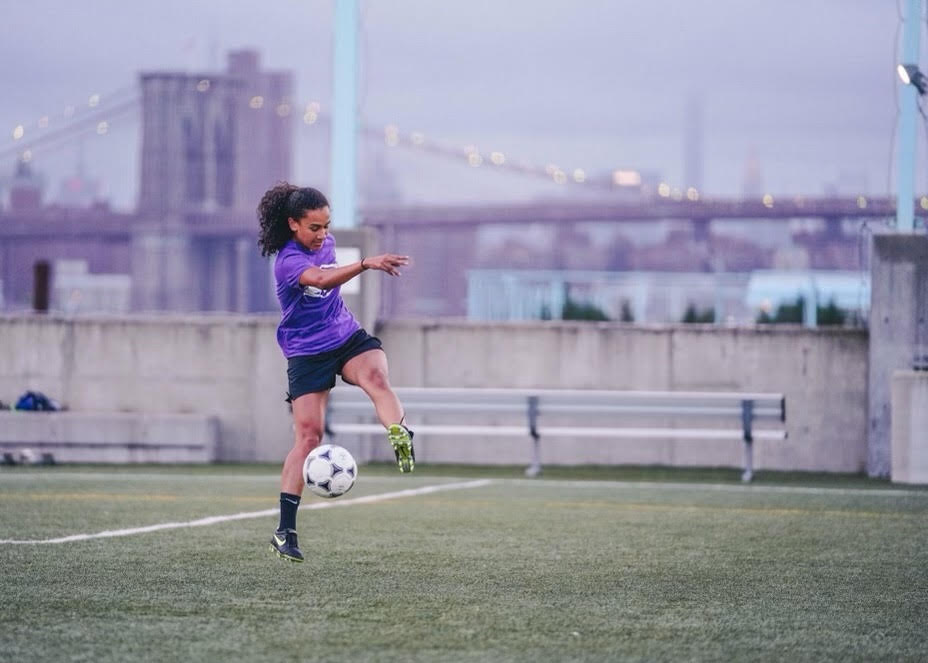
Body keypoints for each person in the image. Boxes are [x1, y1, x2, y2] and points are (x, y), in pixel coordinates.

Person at [257, 182, 415, 563]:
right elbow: (322, 280)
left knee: (377, 378)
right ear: (293, 224)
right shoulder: (288, 262)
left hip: (345, 336)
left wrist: (358, 263)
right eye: (314, 227)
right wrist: (364, 263)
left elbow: (330, 276)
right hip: (307, 352)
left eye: (327, 226)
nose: (323, 235)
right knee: (309, 437)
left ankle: (399, 431)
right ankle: (285, 532)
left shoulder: (322, 244)